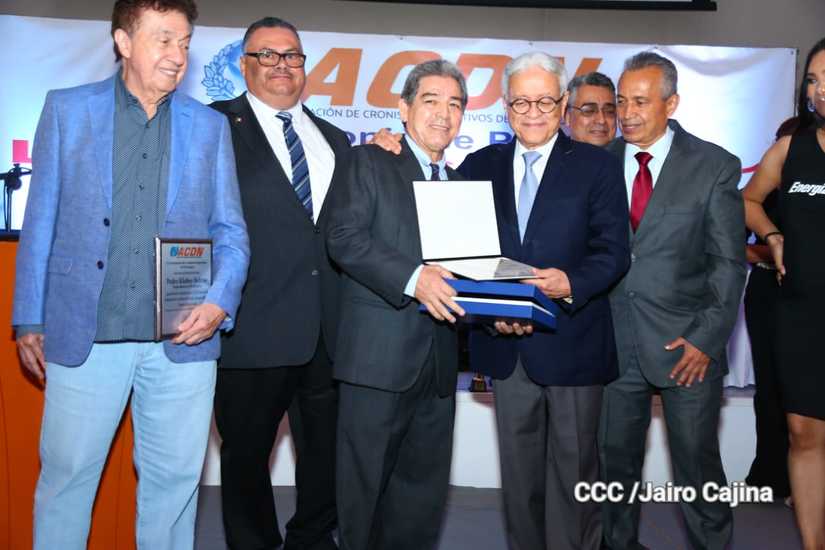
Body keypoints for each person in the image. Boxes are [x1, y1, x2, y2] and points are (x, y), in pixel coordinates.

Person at [11, 1, 250, 548]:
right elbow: (40, 219)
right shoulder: (68, 110)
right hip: (86, 336)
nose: (178, 55)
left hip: (183, 343)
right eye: (164, 39)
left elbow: (231, 232)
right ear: (123, 41)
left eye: (185, 42)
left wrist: (219, 301)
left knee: (175, 488)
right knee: (66, 484)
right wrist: (29, 317)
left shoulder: (210, 127)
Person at [458, 52, 629, 550]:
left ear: (563, 103)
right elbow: (463, 255)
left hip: (573, 341)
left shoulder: (597, 166)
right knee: (520, 481)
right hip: (506, 347)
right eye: (521, 102)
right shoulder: (478, 166)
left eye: (544, 102)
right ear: (505, 106)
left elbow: (613, 252)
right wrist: (491, 312)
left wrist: (569, 282)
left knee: (576, 478)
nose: (532, 113)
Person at [208, 17, 348, 550]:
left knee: (326, 454)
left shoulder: (334, 138)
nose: (281, 65)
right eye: (266, 55)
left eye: (291, 55)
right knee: (245, 457)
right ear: (244, 65)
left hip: (328, 330)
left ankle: (312, 538)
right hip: (250, 326)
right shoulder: (213, 125)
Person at [599, 51, 745, 550]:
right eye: (622, 101)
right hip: (615, 343)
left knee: (697, 471)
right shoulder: (598, 162)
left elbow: (728, 264)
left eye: (640, 102)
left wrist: (706, 340)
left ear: (672, 103)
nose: (627, 113)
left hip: (688, 348)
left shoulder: (714, 166)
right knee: (613, 471)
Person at [324, 59, 466, 550]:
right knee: (362, 498)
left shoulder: (461, 184)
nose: (444, 114)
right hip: (377, 361)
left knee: (421, 500)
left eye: (455, 104)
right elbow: (343, 238)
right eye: (431, 100)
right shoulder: (369, 161)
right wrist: (413, 279)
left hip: (439, 364)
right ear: (404, 109)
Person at [742, 37, 825, 550]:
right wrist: (772, 236)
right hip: (799, 314)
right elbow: (748, 200)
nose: (820, 90)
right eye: (813, 79)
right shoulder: (791, 149)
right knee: (803, 435)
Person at [742, 118, 800, 504]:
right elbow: (739, 245)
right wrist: (778, 250)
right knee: (769, 388)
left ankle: (803, 478)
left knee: (804, 392)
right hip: (766, 291)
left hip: (806, 295)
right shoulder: (761, 195)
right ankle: (770, 474)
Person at [564, 71, 618, 147]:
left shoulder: (628, 153)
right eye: (589, 111)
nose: (601, 120)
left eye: (609, 111)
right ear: (568, 117)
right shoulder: (552, 153)